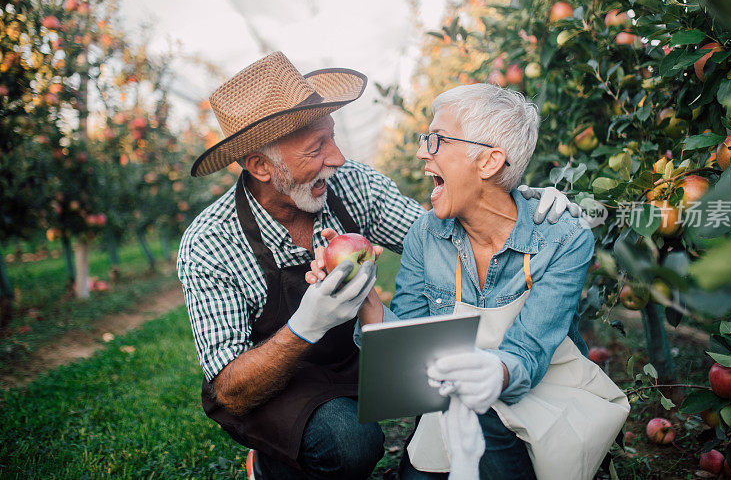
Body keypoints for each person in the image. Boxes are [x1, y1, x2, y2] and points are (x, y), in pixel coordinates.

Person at [177, 52, 581, 480]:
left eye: (331, 137)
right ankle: (273, 463)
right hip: (276, 383)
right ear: (260, 166)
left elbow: (440, 232)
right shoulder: (209, 244)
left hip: (354, 357)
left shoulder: (353, 185)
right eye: (316, 149)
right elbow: (231, 390)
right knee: (348, 441)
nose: (338, 158)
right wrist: (305, 327)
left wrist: (507, 196)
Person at [308, 83, 598, 479]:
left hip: (541, 399)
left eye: (436, 140)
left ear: (489, 162)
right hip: (455, 401)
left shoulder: (564, 239)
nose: (421, 151)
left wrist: (487, 375)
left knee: (483, 418)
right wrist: (365, 301)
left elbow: (527, 354)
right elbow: (408, 354)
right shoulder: (426, 235)